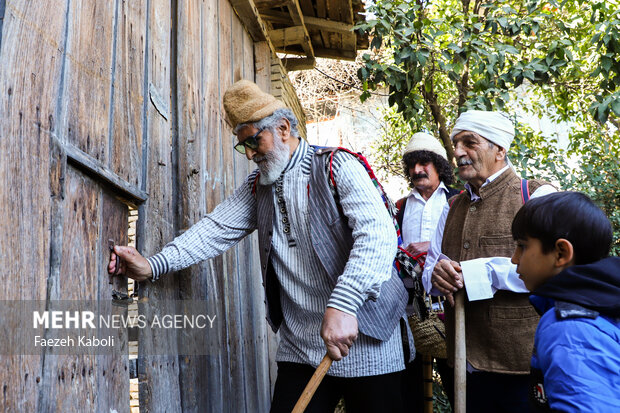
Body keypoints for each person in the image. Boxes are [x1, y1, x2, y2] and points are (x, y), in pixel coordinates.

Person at [108, 79, 409, 413]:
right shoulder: (258, 187)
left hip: (365, 337)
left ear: (282, 128)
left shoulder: (337, 167)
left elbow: (377, 236)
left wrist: (344, 303)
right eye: (243, 145)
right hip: (300, 348)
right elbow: (214, 229)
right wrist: (153, 265)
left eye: (254, 140)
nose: (250, 153)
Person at [422, 110, 556, 413]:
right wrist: (435, 275)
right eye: (456, 144)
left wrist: (478, 272)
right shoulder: (452, 206)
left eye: (470, 142)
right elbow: (430, 267)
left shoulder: (535, 195)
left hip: (522, 368)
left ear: (500, 149)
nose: (458, 152)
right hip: (466, 366)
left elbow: (551, 270)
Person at [510, 191, 620, 412]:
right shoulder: (604, 302)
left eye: (523, 246)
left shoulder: (569, 328)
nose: (514, 259)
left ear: (561, 253)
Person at [395, 132, 459, 410]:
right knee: (409, 384)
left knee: (456, 376)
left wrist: (431, 248)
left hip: (450, 303)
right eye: (413, 164)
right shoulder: (399, 207)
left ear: (439, 166)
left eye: (424, 163)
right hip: (408, 307)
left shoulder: (459, 201)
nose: (417, 170)